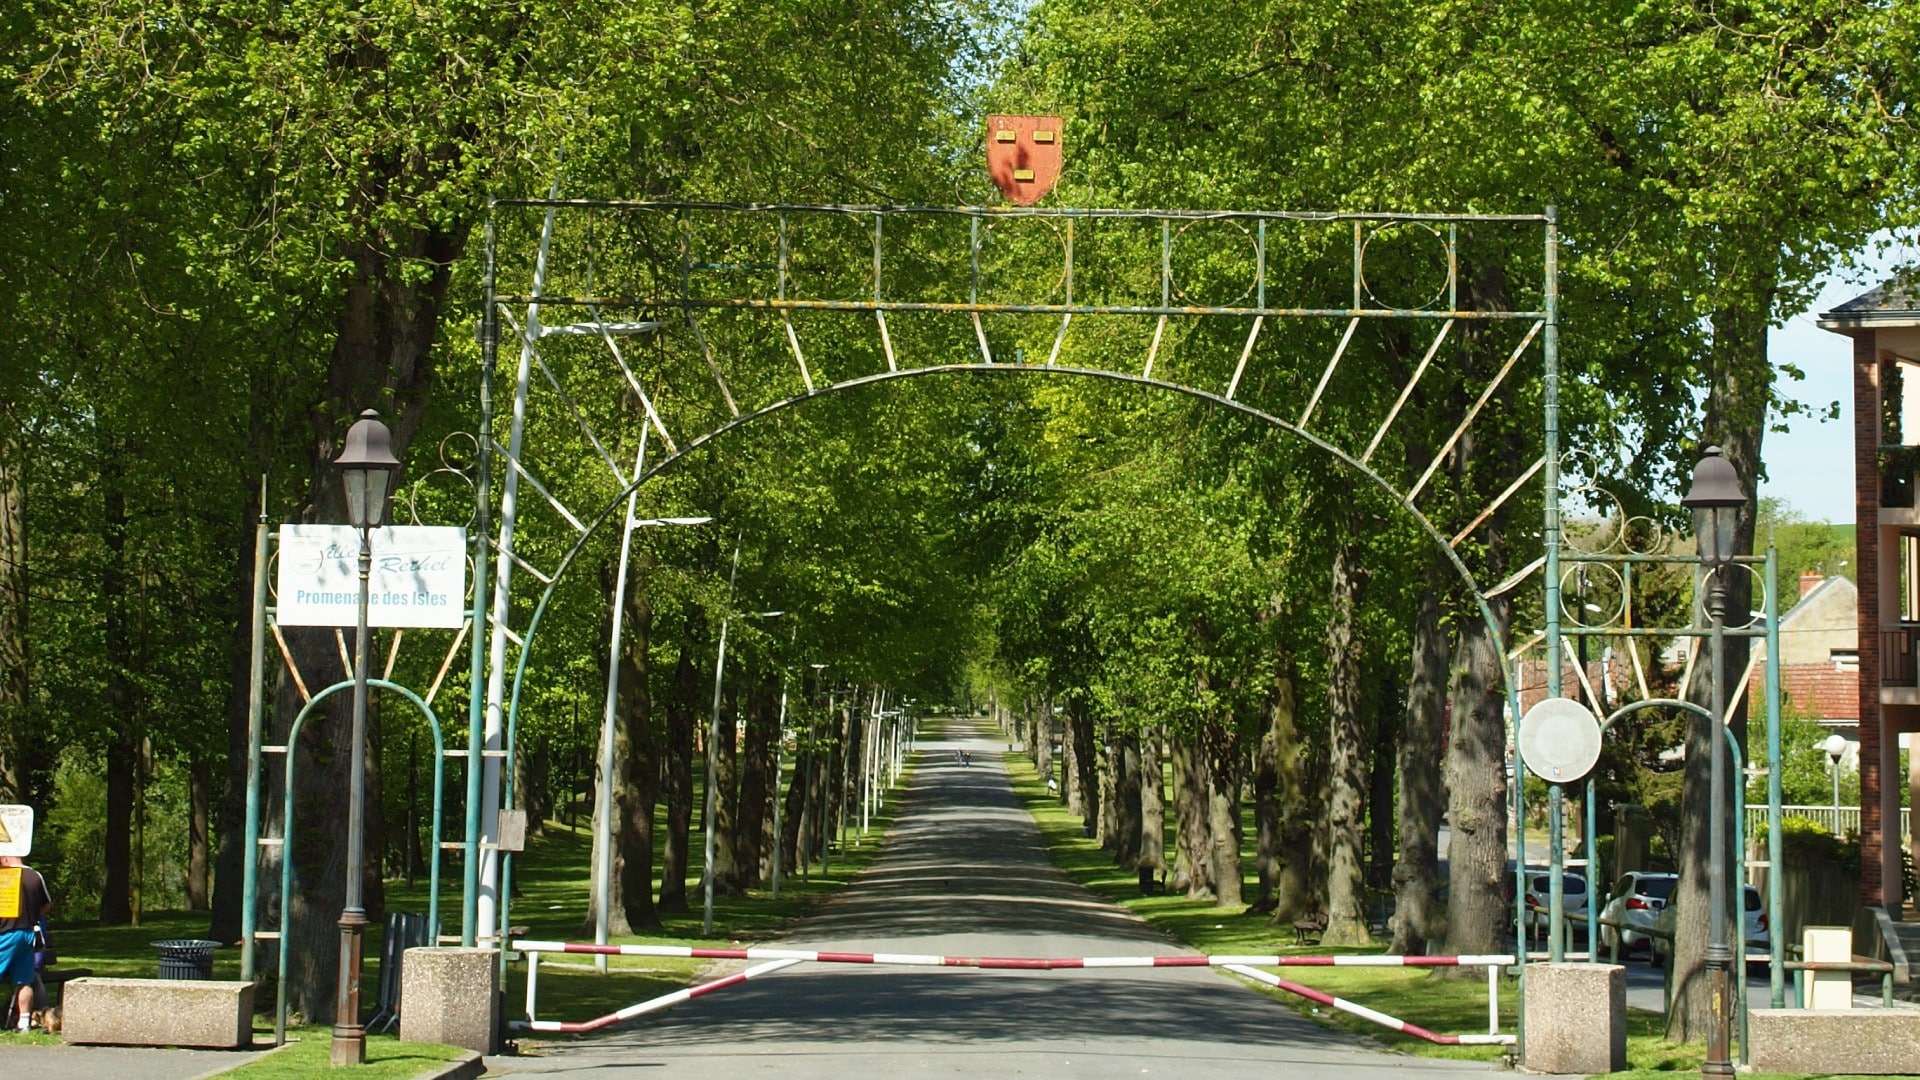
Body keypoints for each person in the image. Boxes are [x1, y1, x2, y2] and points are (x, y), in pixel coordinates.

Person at [0, 853, 51, 1034]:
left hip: (5, 933)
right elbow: (46, 906)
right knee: (24, 980)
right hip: (27, 933)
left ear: (5, 858)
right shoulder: (35, 876)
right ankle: (24, 1023)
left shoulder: (3, 876)